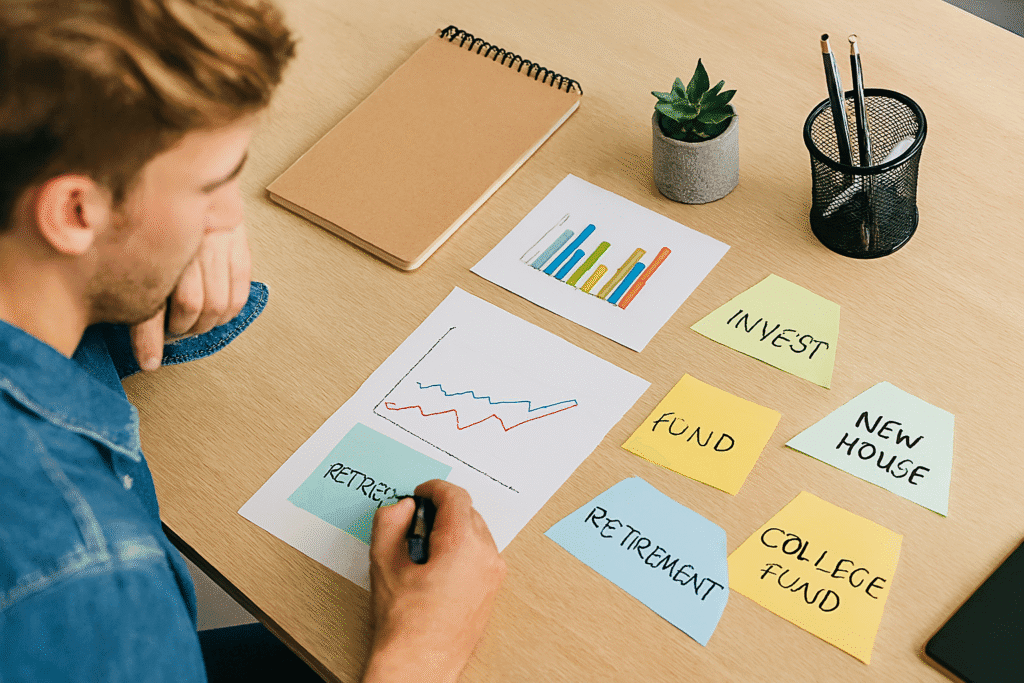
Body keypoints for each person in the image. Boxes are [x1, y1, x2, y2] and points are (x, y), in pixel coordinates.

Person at [0, 1, 505, 681]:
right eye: (215, 186)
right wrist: (422, 648)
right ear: (74, 210)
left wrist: (167, 228)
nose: (233, 216)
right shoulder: (90, 581)